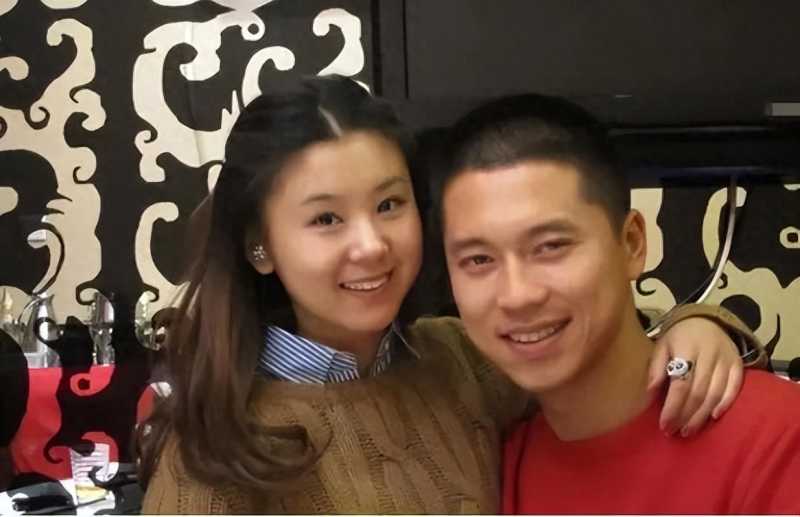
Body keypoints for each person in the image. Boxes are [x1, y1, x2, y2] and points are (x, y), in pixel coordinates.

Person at [138, 75, 764, 514]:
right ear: (260, 245)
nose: (371, 245)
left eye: (390, 204)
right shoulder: (214, 447)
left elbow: (601, 357)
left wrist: (698, 325)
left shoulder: (461, 359)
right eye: (326, 219)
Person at [432, 93, 800, 514]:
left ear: (631, 244)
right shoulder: (494, 467)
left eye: (550, 246)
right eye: (479, 260)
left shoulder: (775, 441)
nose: (517, 295)